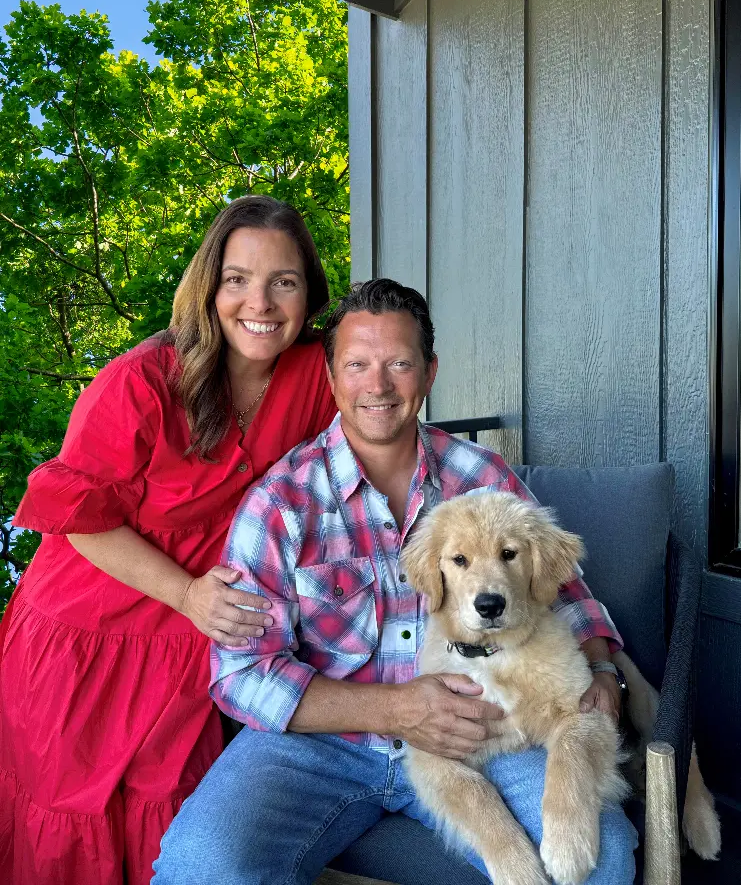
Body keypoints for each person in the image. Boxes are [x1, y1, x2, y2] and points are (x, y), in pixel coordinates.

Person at [152, 278, 637, 885]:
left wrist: (602, 670)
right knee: (200, 866)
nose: (377, 386)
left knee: (602, 858)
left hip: (489, 726)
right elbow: (241, 675)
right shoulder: (281, 502)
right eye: (357, 365)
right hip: (321, 745)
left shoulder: (480, 475)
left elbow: (564, 593)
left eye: (399, 364)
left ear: (429, 373)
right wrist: (399, 708)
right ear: (330, 380)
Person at [0, 195, 338, 885]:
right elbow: (75, 517)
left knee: (175, 828)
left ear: (308, 294)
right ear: (207, 286)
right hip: (82, 641)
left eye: (284, 281)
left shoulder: (314, 376)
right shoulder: (141, 380)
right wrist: (186, 593)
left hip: (190, 645)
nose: (260, 302)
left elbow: (381, 400)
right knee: (68, 827)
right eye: (237, 278)